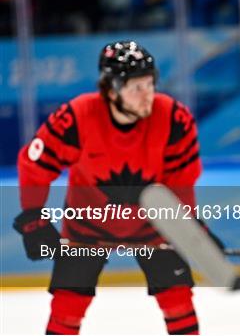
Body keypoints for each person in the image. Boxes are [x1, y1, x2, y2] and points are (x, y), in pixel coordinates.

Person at [14, 40, 202, 335]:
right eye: (136, 88)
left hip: (152, 226)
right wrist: (33, 219)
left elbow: (182, 178)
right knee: (67, 305)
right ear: (111, 90)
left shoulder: (174, 118)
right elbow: (33, 164)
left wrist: (188, 225)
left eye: (149, 84)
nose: (147, 96)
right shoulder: (77, 117)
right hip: (86, 227)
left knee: (178, 299)